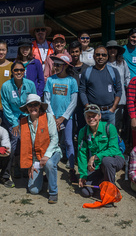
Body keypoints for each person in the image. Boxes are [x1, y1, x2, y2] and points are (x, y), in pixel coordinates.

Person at [19, 94, 61, 203]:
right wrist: (30, 164)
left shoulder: (48, 117)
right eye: (30, 105)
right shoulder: (23, 122)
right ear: (27, 108)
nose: (33, 107)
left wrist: (47, 156)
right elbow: (27, 147)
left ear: (40, 106)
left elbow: (54, 139)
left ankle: (53, 192)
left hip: (51, 152)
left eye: (35, 104)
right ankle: (44, 178)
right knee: (33, 190)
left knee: (50, 164)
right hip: (36, 158)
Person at [77, 104, 125, 199]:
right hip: (98, 165)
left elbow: (114, 149)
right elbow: (81, 154)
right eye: (88, 116)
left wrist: (95, 156)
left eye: (94, 116)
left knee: (106, 161)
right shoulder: (83, 132)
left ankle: (110, 193)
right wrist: (83, 175)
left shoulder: (109, 127)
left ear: (99, 116)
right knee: (85, 191)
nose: (91, 119)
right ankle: (103, 182)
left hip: (115, 159)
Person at [44, 53, 78, 183]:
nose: (55, 67)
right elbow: (46, 99)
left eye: (58, 65)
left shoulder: (72, 81)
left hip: (66, 118)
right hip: (52, 116)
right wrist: (52, 116)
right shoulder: (50, 80)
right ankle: (48, 168)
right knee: (51, 142)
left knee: (69, 142)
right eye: (54, 64)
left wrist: (63, 118)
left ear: (65, 66)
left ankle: (71, 170)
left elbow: (73, 101)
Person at [79, 46, 122, 128]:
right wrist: (87, 107)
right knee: (93, 137)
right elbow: (82, 91)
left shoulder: (113, 71)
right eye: (98, 55)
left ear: (107, 56)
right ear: (94, 56)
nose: (101, 57)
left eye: (104, 55)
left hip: (109, 111)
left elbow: (119, 90)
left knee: (110, 136)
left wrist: (113, 108)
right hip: (93, 112)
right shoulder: (87, 72)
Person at [1, 61, 37, 156]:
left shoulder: (30, 84)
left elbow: (34, 103)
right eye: (16, 70)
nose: (19, 72)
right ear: (12, 72)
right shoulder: (6, 86)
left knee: (26, 137)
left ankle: (26, 162)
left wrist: (32, 119)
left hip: (27, 115)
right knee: (15, 137)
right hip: (11, 116)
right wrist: (14, 122)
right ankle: (11, 162)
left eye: (21, 70)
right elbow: (6, 106)